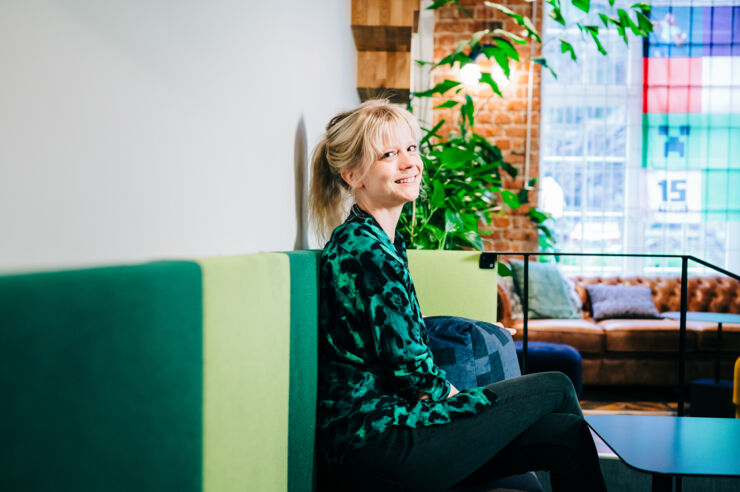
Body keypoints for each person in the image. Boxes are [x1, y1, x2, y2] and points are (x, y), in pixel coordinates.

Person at [309, 99, 607, 492]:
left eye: (411, 148)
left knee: (566, 436)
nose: (409, 162)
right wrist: (469, 404)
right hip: (379, 443)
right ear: (353, 175)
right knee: (555, 385)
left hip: (397, 429)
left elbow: (402, 345)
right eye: (388, 154)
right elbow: (416, 378)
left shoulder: (380, 242)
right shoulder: (363, 251)